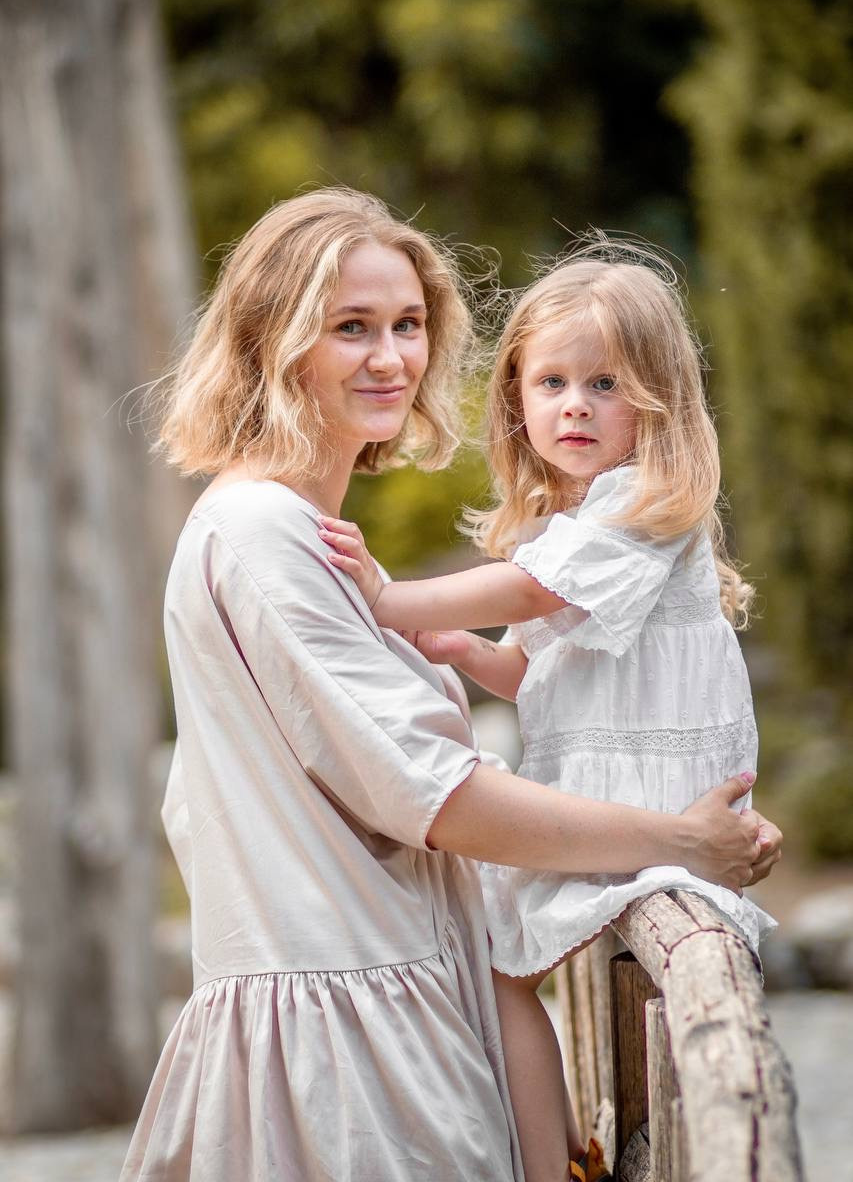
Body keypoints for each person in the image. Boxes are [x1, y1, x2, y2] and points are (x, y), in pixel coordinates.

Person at [121, 193, 779, 1182]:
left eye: (407, 323)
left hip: (401, 1016)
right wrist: (680, 841)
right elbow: (441, 797)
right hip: (352, 1060)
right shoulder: (264, 535)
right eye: (351, 327)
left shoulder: (303, 534)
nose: (391, 357)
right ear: (271, 343)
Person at [320, 239, 777, 1182]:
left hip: (653, 798)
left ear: (657, 400)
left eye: (606, 384)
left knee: (513, 974)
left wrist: (388, 599)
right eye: (553, 383)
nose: (575, 405)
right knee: (499, 976)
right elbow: (542, 673)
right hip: (606, 793)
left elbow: (531, 593)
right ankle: (564, 1155)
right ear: (517, 400)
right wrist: (469, 655)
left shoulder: (645, 505)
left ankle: (548, 1162)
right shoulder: (568, 523)